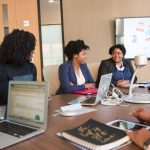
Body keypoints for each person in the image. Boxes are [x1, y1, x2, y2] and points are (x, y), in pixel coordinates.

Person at [0, 29, 37, 103]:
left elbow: (34, 90)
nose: (33, 51)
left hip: (29, 107)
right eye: (30, 48)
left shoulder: (31, 67)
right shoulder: (2, 70)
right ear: (19, 50)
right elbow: (7, 98)